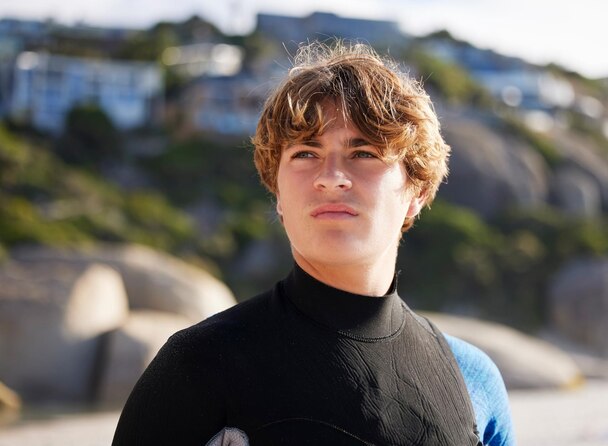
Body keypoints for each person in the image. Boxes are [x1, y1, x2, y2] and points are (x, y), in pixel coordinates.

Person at [113, 41, 515, 445]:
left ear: (416, 192)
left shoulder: (472, 379)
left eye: (364, 153)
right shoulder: (199, 366)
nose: (332, 176)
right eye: (306, 153)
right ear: (278, 196)